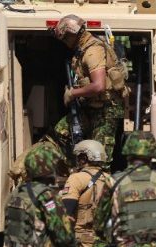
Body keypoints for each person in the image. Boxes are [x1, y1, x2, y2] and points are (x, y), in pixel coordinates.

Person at [51, 14, 126, 166]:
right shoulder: (83, 49)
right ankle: (75, 169)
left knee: (98, 158)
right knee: (62, 131)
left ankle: (99, 183)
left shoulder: (92, 51)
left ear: (73, 34)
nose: (65, 43)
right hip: (91, 107)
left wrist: (73, 93)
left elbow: (99, 86)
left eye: (65, 38)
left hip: (107, 109)